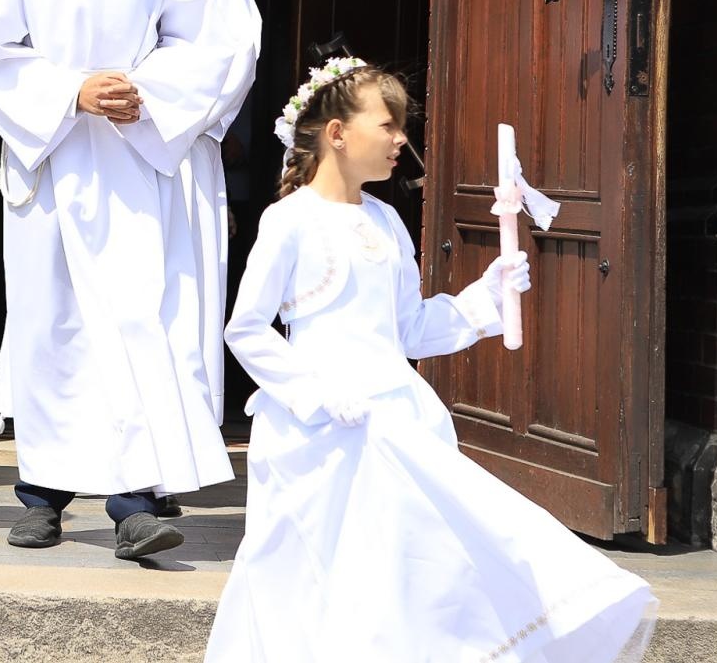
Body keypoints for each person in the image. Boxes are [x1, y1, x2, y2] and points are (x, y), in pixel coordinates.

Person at [204, 57, 657, 663]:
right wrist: (312, 392)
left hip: (397, 421)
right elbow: (247, 328)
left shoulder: (387, 220)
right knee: (305, 575)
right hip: (318, 435)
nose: (401, 140)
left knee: (402, 579)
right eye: (388, 125)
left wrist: (482, 297)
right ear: (337, 133)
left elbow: (407, 329)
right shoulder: (289, 221)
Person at [0, 0, 235, 560]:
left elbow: (199, 41)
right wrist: (67, 91)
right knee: (50, 322)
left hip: (128, 151)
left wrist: (143, 92)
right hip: (52, 150)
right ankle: (43, 496)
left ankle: (132, 501)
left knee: (130, 321)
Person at [127, 0, 261, 519]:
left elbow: (234, 54)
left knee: (179, 300)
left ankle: (167, 461)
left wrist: (157, 109)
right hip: (100, 150)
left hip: (178, 153)